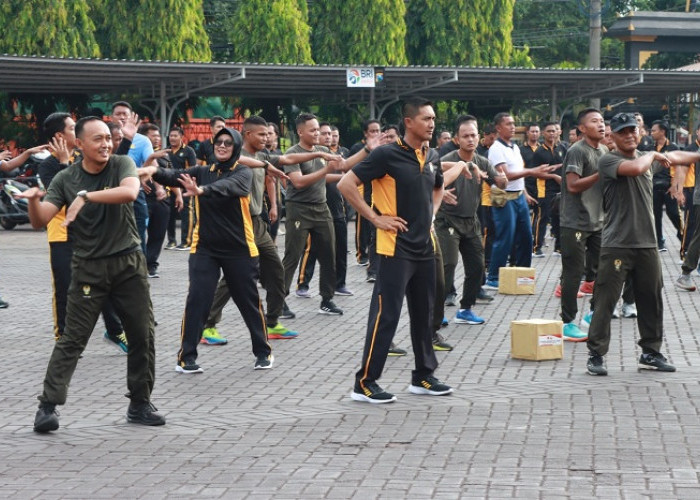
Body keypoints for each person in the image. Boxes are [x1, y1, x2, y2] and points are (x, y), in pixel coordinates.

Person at [19, 116, 163, 432]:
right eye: (97, 139)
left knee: (142, 334)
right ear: (80, 144)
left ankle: (140, 403)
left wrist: (86, 197)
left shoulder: (122, 164)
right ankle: (47, 406)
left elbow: (128, 192)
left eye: (108, 138)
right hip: (88, 269)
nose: (106, 144)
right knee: (72, 339)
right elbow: (41, 219)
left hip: (128, 264)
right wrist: (32, 202)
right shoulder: (65, 179)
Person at [338, 96, 453, 404]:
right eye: (426, 119)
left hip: (424, 247)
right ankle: (364, 382)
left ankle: (423, 375)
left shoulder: (432, 155)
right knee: (386, 316)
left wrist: (431, 214)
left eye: (433, 118)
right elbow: (346, 184)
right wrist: (376, 217)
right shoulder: (387, 155)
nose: (431, 124)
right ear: (409, 122)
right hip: (394, 249)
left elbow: (438, 186)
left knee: (424, 314)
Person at [140, 127, 273, 373]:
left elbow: (232, 187)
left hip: (240, 250)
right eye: (218, 143)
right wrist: (152, 170)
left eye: (227, 143)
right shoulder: (202, 171)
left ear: (235, 147)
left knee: (249, 303)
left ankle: (263, 352)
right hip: (205, 249)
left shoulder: (244, 172)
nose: (222, 146)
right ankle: (186, 357)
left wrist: (202, 190)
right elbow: (174, 175)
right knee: (197, 300)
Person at [201, 115, 339, 344]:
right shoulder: (235, 157)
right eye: (262, 134)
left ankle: (272, 321)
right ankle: (207, 325)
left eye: (268, 134)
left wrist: (319, 154)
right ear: (247, 135)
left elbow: (287, 158)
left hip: (258, 224)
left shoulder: (263, 155)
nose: (267, 138)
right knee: (235, 276)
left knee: (276, 271)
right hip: (239, 225)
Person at [586, 112, 697, 376]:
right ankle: (596, 355)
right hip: (617, 244)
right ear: (611, 136)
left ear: (641, 132)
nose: (629, 135)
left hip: (647, 245)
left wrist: (688, 156)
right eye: (623, 131)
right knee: (605, 300)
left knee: (651, 300)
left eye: (633, 130)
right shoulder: (609, 160)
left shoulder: (648, 159)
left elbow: (680, 157)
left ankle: (651, 352)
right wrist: (655, 156)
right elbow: (636, 168)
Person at [282, 113, 344, 316]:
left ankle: (327, 299)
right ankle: (279, 301)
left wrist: (366, 155)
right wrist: (326, 169)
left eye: (318, 129)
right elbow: (298, 182)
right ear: (300, 132)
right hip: (299, 209)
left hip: (321, 208)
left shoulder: (323, 150)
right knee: (293, 255)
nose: (317, 133)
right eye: (313, 130)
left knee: (329, 254)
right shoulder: (292, 153)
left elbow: (336, 170)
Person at [485, 112, 555, 289]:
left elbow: (518, 174)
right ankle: (493, 277)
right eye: (508, 124)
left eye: (513, 123)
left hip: (518, 196)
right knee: (505, 237)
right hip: (504, 197)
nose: (512, 126)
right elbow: (506, 175)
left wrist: (525, 192)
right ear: (498, 128)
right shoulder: (496, 149)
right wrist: (533, 171)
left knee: (526, 236)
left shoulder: (514, 147)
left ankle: (523, 273)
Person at [557, 108, 607, 342]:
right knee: (573, 273)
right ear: (582, 129)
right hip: (574, 222)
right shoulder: (577, 151)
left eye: (602, 121)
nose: (601, 125)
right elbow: (573, 185)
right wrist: (600, 174)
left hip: (598, 221)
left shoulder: (605, 150)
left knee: (602, 271)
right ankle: (567, 323)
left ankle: (593, 313)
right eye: (595, 121)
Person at [296, 122, 353, 297]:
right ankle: (302, 284)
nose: (328, 136)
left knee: (340, 249)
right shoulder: (311, 157)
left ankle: (339, 284)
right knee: (311, 249)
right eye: (323, 133)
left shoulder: (336, 156)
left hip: (338, 210)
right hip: (318, 209)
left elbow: (348, 170)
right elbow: (320, 177)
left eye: (330, 133)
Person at [349, 119, 381, 268]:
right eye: (372, 131)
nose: (376, 133)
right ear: (365, 133)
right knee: (362, 227)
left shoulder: (382, 148)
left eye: (378, 130)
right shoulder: (358, 148)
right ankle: (361, 254)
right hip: (362, 192)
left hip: (379, 194)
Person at [531, 122, 565, 257]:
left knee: (560, 219)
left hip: (561, 189)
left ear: (558, 132)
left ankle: (559, 247)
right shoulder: (539, 152)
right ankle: (536, 247)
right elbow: (535, 172)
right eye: (549, 131)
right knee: (543, 217)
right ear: (543, 134)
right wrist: (554, 176)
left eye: (554, 131)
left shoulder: (562, 148)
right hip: (545, 189)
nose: (552, 133)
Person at [650, 120, 682, 252]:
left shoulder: (673, 147)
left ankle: (683, 236)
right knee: (655, 215)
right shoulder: (650, 148)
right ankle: (659, 241)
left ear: (662, 132)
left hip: (670, 187)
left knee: (673, 213)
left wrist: (675, 186)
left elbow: (678, 167)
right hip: (654, 187)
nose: (651, 133)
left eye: (654, 130)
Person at [164, 126, 193, 249]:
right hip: (169, 188)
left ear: (181, 137)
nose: (172, 138)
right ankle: (171, 241)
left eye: (175, 136)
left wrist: (183, 185)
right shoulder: (166, 151)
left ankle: (186, 241)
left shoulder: (188, 151)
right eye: (171, 136)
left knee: (186, 214)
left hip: (185, 188)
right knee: (169, 214)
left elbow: (192, 170)